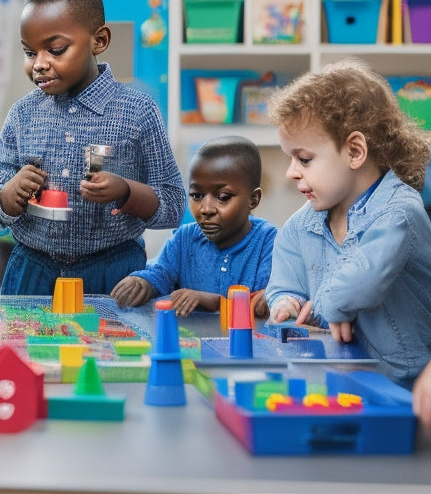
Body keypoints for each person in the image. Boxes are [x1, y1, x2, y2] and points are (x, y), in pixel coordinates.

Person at [0, 0, 186, 296]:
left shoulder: (138, 111)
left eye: (56, 50)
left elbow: (173, 204)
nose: (39, 64)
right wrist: (8, 195)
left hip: (114, 273)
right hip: (32, 272)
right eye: (30, 53)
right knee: (26, 348)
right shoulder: (22, 114)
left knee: (114, 348)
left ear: (99, 41)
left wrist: (126, 191)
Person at [264, 58, 431, 388]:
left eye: (304, 158)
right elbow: (285, 280)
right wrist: (284, 301)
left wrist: (325, 306)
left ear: (355, 151)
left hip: (405, 385)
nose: (291, 171)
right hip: (338, 377)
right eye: (290, 158)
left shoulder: (399, 211)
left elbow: (359, 284)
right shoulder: (302, 225)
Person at [110, 135, 276, 315]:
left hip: (248, 342)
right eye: (197, 195)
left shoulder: (268, 241)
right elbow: (161, 273)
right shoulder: (184, 238)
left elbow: (265, 302)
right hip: (192, 342)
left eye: (222, 197)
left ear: (253, 199)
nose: (206, 209)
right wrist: (143, 282)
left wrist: (215, 302)